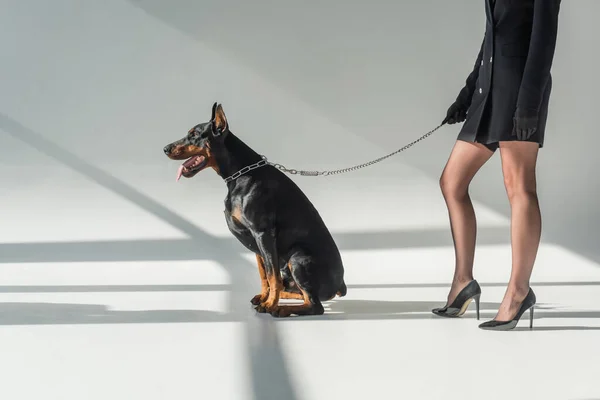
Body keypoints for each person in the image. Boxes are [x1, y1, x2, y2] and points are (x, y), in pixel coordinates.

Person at [432, 0, 562, 330]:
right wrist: (467, 93)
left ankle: (518, 291)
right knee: (452, 182)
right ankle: (463, 282)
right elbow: (492, 34)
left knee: (519, 186)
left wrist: (528, 106)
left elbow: (543, 42)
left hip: (520, 92)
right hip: (488, 91)